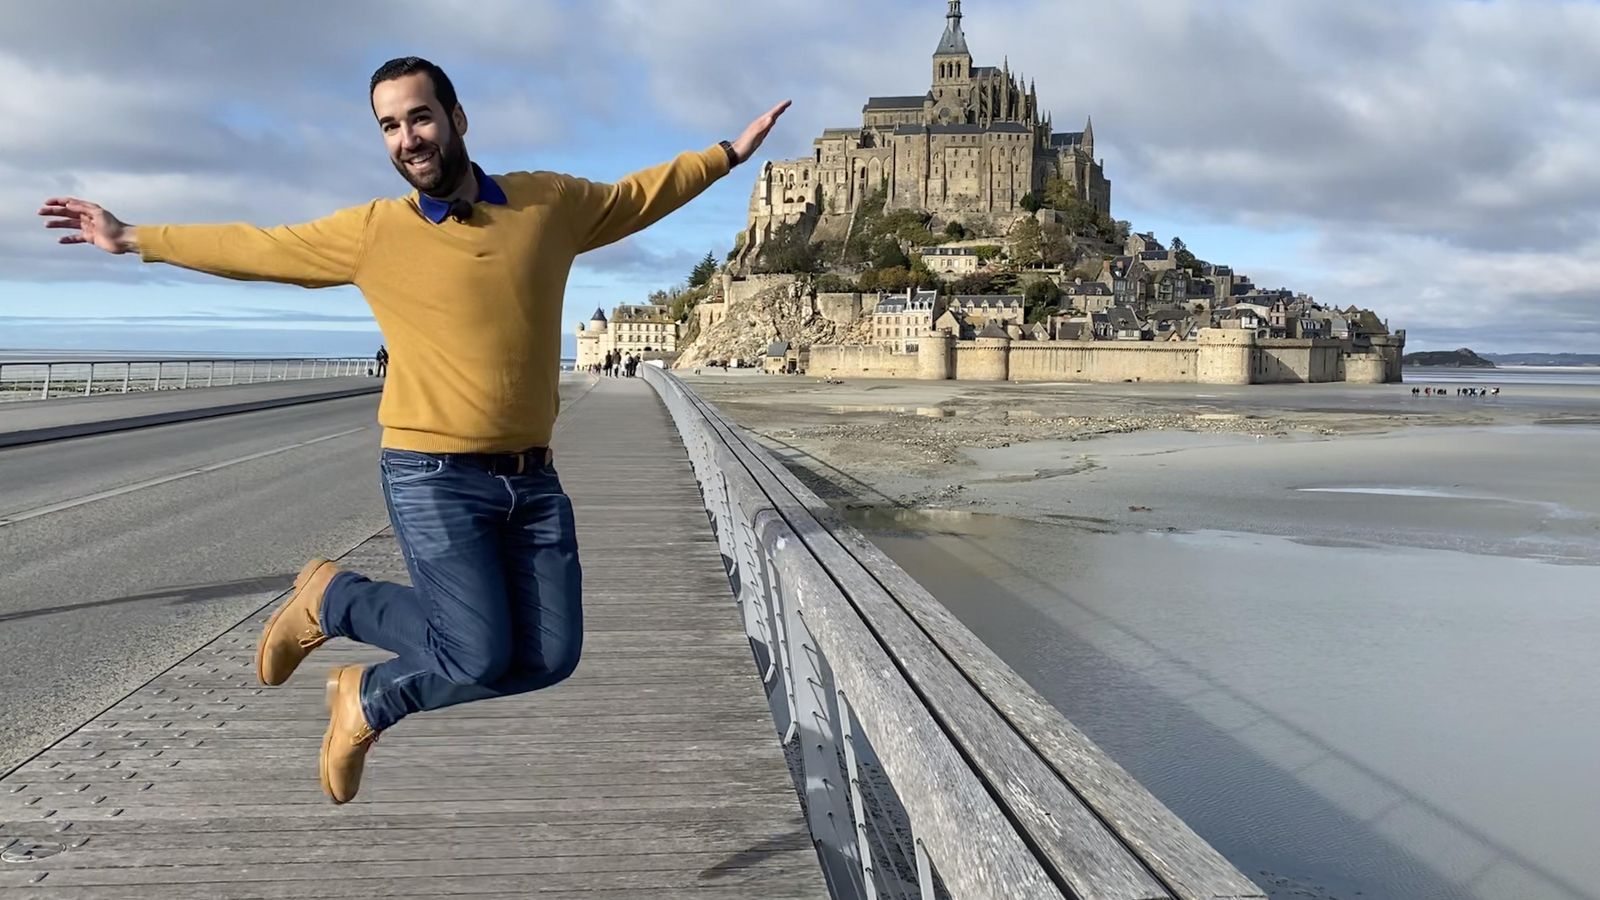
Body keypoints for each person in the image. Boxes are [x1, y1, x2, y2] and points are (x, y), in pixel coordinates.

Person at [40, 55, 789, 804]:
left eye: (419, 117)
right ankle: (335, 605)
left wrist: (725, 156)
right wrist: (135, 236)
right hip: (432, 473)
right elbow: (258, 247)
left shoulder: (547, 203)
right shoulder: (374, 232)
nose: (408, 139)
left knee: (551, 656)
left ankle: (363, 691)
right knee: (477, 652)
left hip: (533, 477)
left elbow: (638, 196)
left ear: (458, 119)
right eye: (390, 126)